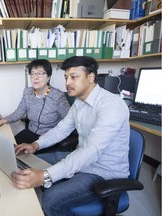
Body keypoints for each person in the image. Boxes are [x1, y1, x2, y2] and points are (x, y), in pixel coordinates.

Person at [11, 56, 130, 216]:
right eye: (66, 77)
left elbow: (90, 151)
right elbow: (61, 130)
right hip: (81, 160)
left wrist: (45, 176)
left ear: (90, 77)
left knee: (50, 199)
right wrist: (35, 145)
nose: (68, 83)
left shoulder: (111, 105)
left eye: (74, 77)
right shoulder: (79, 103)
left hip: (103, 173)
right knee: (28, 160)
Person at [0, 59, 71, 144]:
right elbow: (18, 113)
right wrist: (2, 121)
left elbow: (70, 122)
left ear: (48, 77)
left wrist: (51, 134)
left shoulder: (57, 96)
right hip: (30, 132)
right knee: (9, 146)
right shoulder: (28, 92)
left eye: (40, 73)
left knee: (20, 153)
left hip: (49, 137)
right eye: (32, 74)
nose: (35, 77)